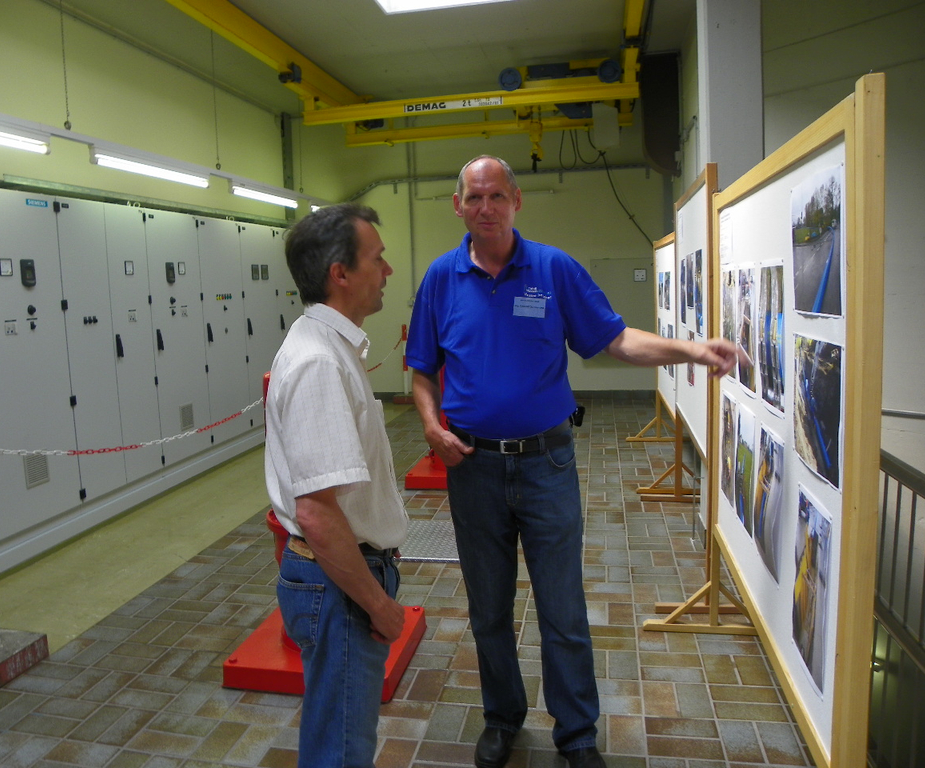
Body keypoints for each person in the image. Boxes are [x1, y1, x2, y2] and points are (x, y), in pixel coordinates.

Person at [405, 155, 738, 768]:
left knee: (562, 608)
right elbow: (422, 369)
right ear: (457, 205)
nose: (485, 208)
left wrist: (692, 350)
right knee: (488, 608)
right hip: (473, 468)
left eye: (496, 196)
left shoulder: (553, 269)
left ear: (516, 200)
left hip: (546, 466)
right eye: (474, 197)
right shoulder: (440, 279)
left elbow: (616, 339)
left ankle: (577, 733)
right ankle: (502, 717)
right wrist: (431, 425)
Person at [264, 203, 408, 768]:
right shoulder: (319, 362)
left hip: (337, 579)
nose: (388, 271)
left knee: (337, 738)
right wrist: (378, 604)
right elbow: (318, 513)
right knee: (341, 751)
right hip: (340, 587)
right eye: (377, 259)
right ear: (340, 273)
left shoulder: (328, 347)